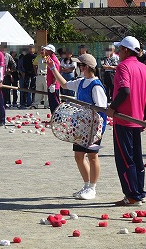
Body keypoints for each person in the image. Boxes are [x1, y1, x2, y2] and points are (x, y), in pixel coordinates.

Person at [46, 53, 107, 200]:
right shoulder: (81, 82)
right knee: (79, 156)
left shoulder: (96, 86)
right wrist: (53, 68)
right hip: (81, 126)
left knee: (92, 156)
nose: (77, 67)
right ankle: (86, 185)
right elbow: (65, 85)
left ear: (85, 67)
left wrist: (88, 109)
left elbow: (102, 108)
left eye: (79, 65)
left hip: (94, 126)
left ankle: (92, 188)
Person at [107, 36, 146, 206]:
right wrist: (144, 118)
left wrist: (112, 108)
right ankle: (140, 191)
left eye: (120, 50)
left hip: (124, 119)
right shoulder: (145, 68)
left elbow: (125, 90)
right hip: (137, 119)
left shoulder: (123, 66)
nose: (118, 53)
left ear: (126, 50)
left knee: (125, 159)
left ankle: (132, 195)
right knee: (137, 158)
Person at [43, 44, 60, 113]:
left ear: (51, 51)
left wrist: (53, 84)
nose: (45, 52)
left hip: (54, 86)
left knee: (55, 103)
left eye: (47, 50)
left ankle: (57, 118)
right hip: (50, 84)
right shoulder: (49, 59)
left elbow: (56, 74)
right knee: (51, 103)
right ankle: (54, 117)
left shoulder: (53, 61)